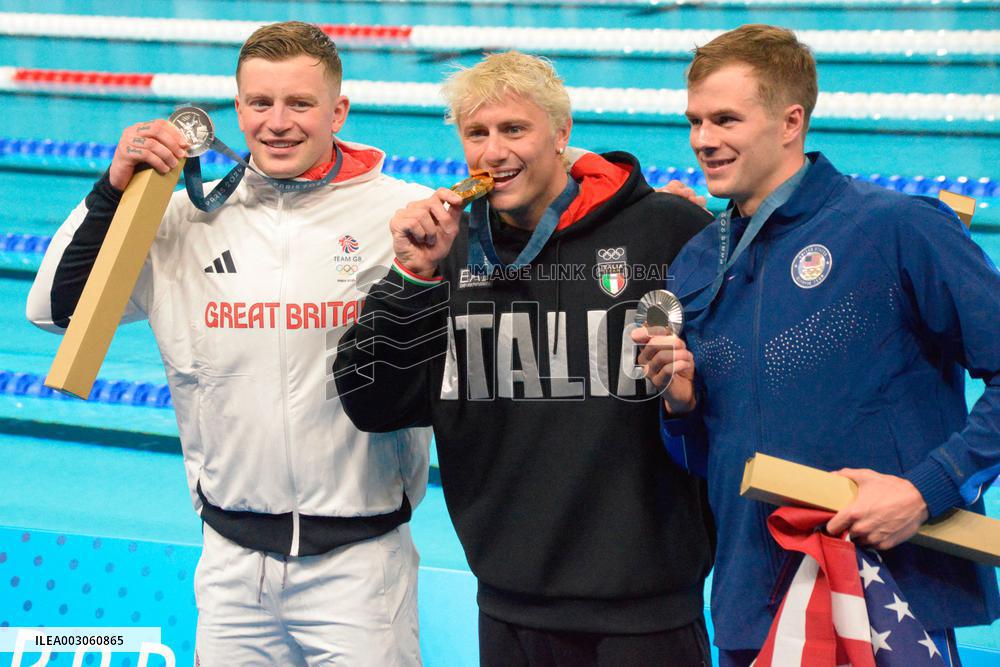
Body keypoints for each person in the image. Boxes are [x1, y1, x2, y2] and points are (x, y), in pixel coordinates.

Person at [27, 21, 431, 667]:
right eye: (260, 103)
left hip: (360, 567)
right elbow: (54, 312)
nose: (278, 122)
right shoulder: (181, 219)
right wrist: (112, 192)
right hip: (231, 568)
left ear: (338, 109)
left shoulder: (404, 215)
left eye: (299, 103)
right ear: (237, 109)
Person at [633, 24, 1000, 666]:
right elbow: (713, 458)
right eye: (694, 121)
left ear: (790, 121)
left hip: (890, 597)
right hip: (754, 601)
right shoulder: (696, 264)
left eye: (725, 119)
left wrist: (926, 489)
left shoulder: (894, 228)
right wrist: (682, 407)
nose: (702, 141)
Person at [333, 51, 715, 666]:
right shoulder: (445, 250)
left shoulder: (665, 229)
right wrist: (410, 276)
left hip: (648, 610)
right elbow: (371, 403)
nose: (493, 152)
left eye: (514, 130)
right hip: (510, 606)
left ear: (561, 133)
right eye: (476, 133)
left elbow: (725, 390)